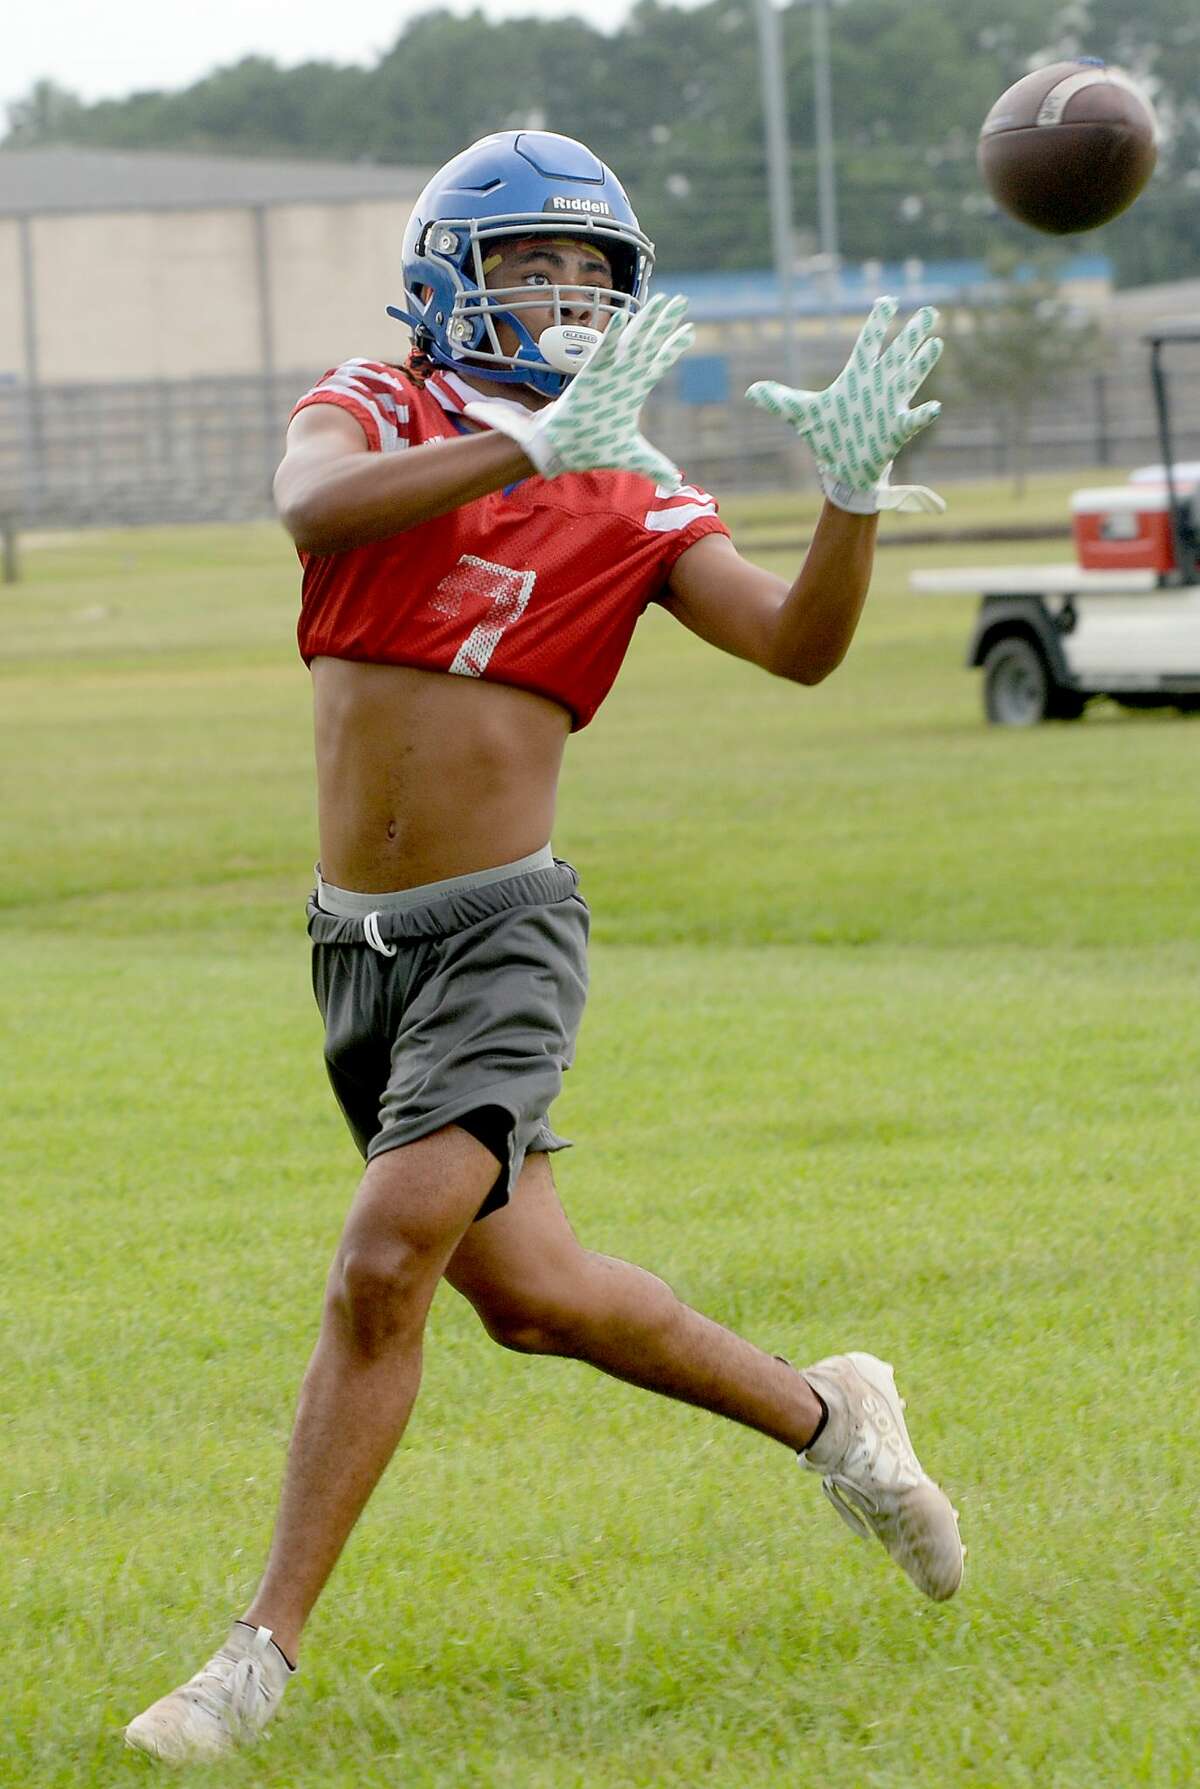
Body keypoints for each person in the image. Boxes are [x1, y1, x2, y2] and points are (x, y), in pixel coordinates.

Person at [125, 129, 960, 1763]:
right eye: (533, 265)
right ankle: (833, 1417)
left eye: (595, 271)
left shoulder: (638, 484)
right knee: (539, 1296)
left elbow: (797, 647)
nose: (568, 296)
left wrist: (849, 502)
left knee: (387, 1255)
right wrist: (515, 449)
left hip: (507, 928)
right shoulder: (380, 408)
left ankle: (251, 1661)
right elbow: (307, 506)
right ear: (450, 277)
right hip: (358, 946)